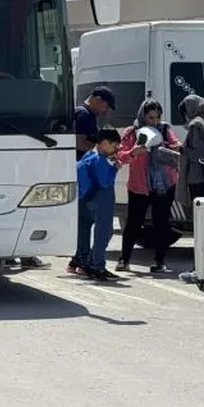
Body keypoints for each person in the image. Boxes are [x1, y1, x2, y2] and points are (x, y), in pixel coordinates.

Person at [116, 98, 181, 273]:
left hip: (164, 185)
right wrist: (134, 152)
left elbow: (176, 147)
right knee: (133, 223)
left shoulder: (165, 130)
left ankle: (159, 261)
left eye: (157, 117)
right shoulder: (132, 132)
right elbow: (119, 155)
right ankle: (124, 259)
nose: (154, 121)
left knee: (161, 223)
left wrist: (172, 148)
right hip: (139, 185)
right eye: (151, 117)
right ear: (143, 116)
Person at [67, 86, 117, 273]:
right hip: (86, 176)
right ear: (96, 99)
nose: (105, 111)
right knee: (88, 221)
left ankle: (79, 259)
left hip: (84, 174)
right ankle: (84, 260)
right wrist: (101, 152)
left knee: (85, 220)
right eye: (105, 105)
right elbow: (79, 141)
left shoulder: (86, 114)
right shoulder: (84, 114)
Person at [74, 127, 122, 280]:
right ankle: (97, 264)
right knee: (104, 232)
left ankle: (83, 262)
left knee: (84, 232)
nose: (116, 149)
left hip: (84, 199)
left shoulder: (88, 154)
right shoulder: (101, 159)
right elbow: (105, 181)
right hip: (101, 200)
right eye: (114, 145)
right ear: (105, 143)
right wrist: (114, 169)